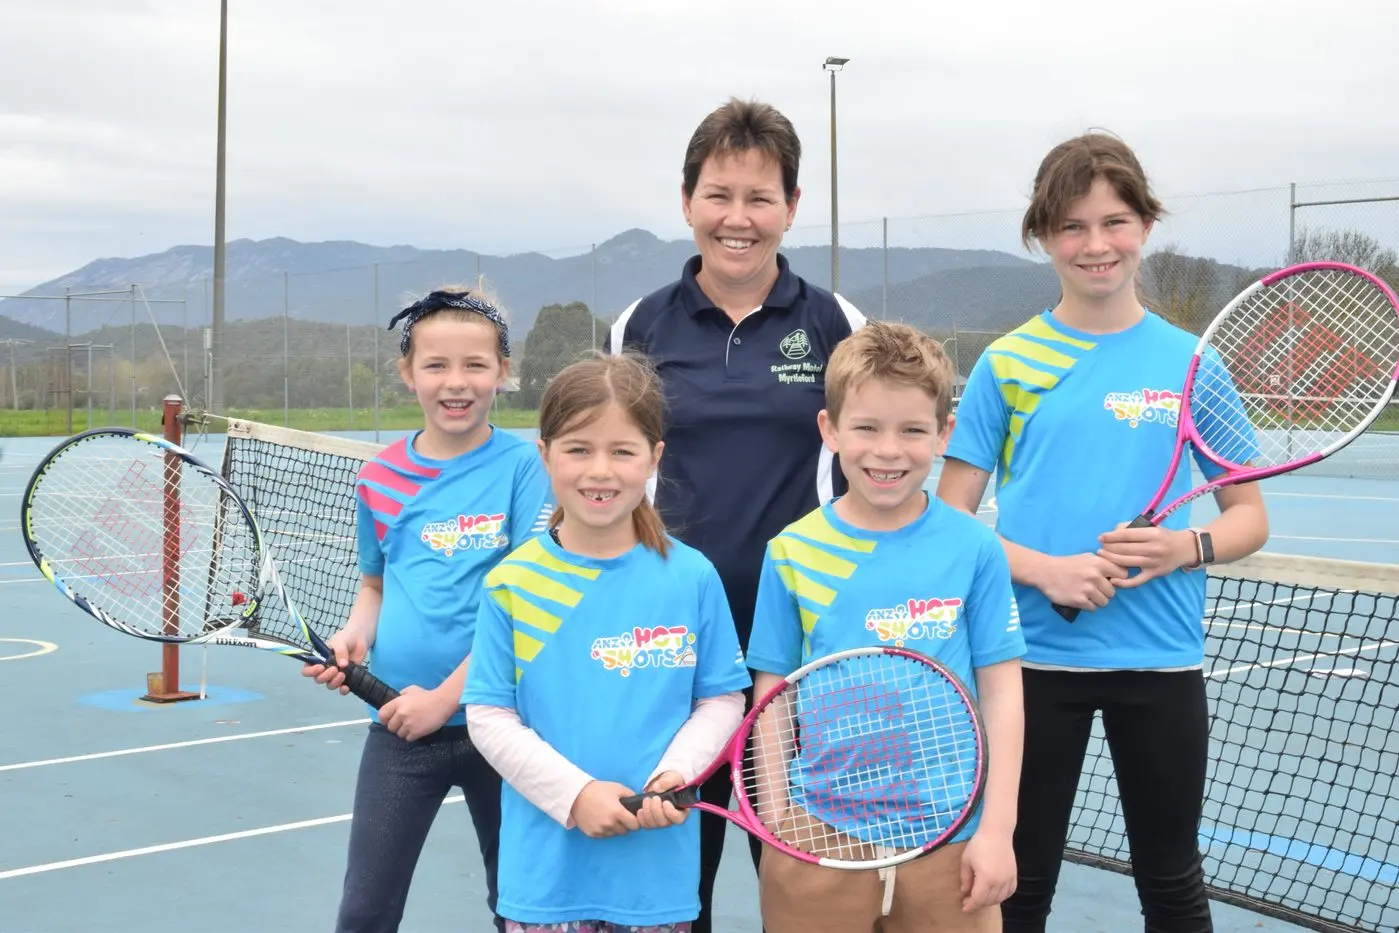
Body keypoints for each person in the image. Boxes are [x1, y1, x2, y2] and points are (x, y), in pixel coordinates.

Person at [936, 132, 1270, 933]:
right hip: (1029, 666)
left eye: (1114, 222)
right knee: (1018, 888)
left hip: (1160, 663)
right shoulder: (1006, 364)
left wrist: (1182, 547)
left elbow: (1249, 517)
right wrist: (1046, 571)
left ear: (1145, 227)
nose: (1095, 245)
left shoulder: (1193, 365)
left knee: (1172, 884)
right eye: (1072, 226)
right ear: (1042, 237)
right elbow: (945, 528)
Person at [606, 96, 865, 933]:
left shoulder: (837, 324)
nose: (737, 218)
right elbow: (614, 475)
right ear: (687, 202)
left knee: (800, 879)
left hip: (800, 657)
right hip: (673, 652)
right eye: (718, 195)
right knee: (677, 881)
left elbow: (874, 470)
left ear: (791, 207)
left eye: (759, 198)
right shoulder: (636, 326)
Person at [745, 321, 1025, 933]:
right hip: (819, 833)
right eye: (866, 427)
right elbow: (771, 696)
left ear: (944, 435)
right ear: (830, 429)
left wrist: (997, 829)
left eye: (912, 431)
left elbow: (1003, 692)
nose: (888, 451)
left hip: (952, 837)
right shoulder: (793, 551)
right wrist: (777, 821)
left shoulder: (974, 548)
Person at [463, 351, 751, 933]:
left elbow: (721, 699)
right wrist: (576, 796)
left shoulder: (692, 576)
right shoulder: (512, 583)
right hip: (545, 882)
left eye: (622, 451)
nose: (601, 470)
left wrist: (678, 772)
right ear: (545, 455)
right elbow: (488, 716)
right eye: (578, 449)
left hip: (657, 882)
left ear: (654, 457)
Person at [303, 285, 554, 933]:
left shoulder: (526, 469)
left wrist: (444, 698)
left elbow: (525, 605)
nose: (456, 382)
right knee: (364, 912)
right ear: (407, 373)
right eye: (436, 365)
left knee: (520, 907)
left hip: (505, 726)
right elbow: (375, 584)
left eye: (475, 364)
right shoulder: (378, 477)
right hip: (400, 727)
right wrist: (354, 635)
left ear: (504, 370)